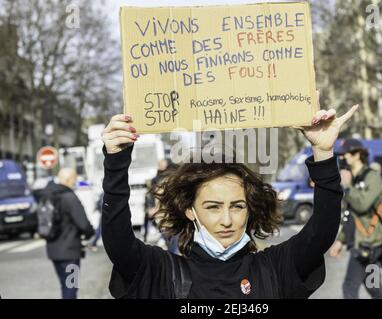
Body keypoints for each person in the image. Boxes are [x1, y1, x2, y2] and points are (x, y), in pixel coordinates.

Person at [101, 95, 359, 298]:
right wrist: (116, 159)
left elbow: (322, 231)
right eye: (213, 207)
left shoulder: (273, 269)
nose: (227, 220)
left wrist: (323, 153)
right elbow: (118, 243)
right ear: (190, 210)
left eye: (237, 206)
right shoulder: (163, 272)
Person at [329, 139, 382, 299]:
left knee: (349, 287)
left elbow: (362, 204)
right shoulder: (355, 179)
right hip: (364, 242)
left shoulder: (372, 178)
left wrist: (348, 187)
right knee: (373, 287)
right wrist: (341, 241)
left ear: (357, 155)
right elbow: (350, 215)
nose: (341, 158)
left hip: (370, 243)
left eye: (344, 154)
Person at [43, 168, 95, 299]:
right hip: (70, 252)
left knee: (64, 285)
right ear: (68, 179)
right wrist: (90, 233)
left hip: (53, 251)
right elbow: (83, 224)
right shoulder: (70, 197)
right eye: (74, 179)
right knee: (71, 287)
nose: (75, 182)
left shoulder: (49, 195)